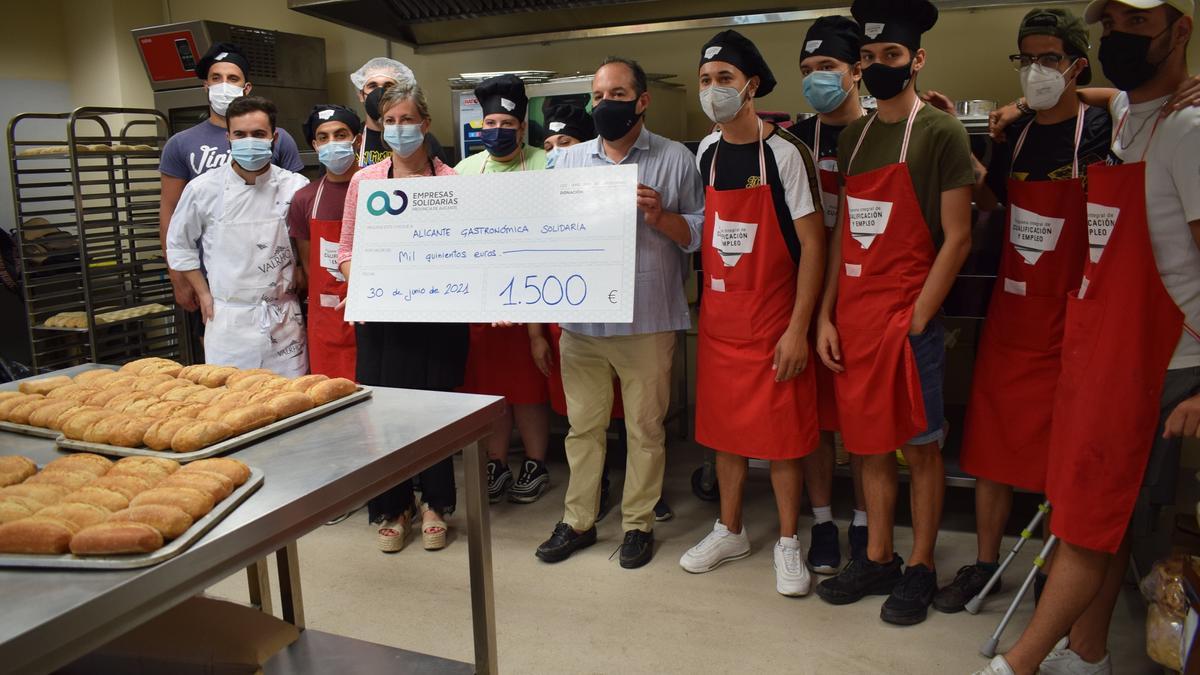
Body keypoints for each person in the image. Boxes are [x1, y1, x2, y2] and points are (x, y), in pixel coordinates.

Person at [978, 1, 1200, 673]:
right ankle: (1088, 651)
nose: (1118, 39)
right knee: (1103, 515)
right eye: (1111, 28)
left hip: (1168, 359)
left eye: (1137, 26)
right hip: (1112, 347)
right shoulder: (1131, 116)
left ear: (1179, 31)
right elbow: (1107, 92)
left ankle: (1019, 661)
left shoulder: (1189, 131)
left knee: (1087, 519)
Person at [933, 8, 1111, 615]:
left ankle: (1054, 566)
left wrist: (1043, 97)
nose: (1035, 71)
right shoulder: (1017, 134)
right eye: (1026, 59)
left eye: (1048, 59)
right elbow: (994, 201)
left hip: (1077, 318)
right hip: (1014, 316)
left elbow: (1138, 96)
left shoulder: (1103, 124)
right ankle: (985, 564)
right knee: (991, 448)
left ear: (1076, 65)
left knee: (1065, 453)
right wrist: (964, 146)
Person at [812, 0, 975, 626]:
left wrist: (917, 320)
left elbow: (957, 237)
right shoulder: (851, 140)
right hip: (853, 316)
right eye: (871, 58)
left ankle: (922, 563)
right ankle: (878, 553)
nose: (881, 66)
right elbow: (841, 239)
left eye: (893, 57)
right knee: (869, 447)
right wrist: (825, 316)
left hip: (907, 318)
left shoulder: (939, 131)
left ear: (917, 60)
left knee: (921, 446)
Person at [534, 56, 705, 569]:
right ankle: (578, 520)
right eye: (599, 96)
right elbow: (540, 232)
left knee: (645, 430)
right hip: (581, 322)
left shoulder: (676, 159)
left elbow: (698, 233)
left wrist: (661, 216)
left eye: (617, 95)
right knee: (582, 429)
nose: (606, 105)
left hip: (646, 320)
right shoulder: (567, 162)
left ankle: (638, 524)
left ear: (642, 101)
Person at [678, 30, 825, 597]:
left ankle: (789, 541)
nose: (714, 91)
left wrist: (797, 330)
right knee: (725, 435)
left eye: (725, 81)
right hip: (720, 323)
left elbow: (814, 245)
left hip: (773, 324)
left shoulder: (786, 154)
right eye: (706, 82)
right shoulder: (707, 151)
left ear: (752, 86)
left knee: (783, 439)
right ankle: (730, 529)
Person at [336, 82, 467, 553]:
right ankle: (394, 506)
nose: (399, 129)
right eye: (390, 121)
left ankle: (435, 504)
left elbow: (466, 252)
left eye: (407, 120)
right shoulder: (364, 183)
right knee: (385, 412)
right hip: (383, 318)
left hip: (438, 318)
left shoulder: (451, 183)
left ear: (426, 125)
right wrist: (368, 281)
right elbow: (346, 251)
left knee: (432, 410)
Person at [452, 75, 553, 505]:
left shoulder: (545, 163)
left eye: (506, 123)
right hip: (481, 299)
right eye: (489, 121)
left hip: (533, 294)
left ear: (522, 127)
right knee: (489, 390)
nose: (496, 129)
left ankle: (535, 462)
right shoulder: (464, 170)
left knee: (529, 388)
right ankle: (496, 463)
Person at [795, 14, 871, 574]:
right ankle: (823, 521)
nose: (817, 78)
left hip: (868, 295)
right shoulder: (795, 140)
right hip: (807, 290)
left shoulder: (885, 131)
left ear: (857, 70)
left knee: (865, 421)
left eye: (828, 67)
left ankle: (867, 523)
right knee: (818, 419)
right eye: (808, 69)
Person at [165, 96, 310, 376]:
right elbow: (179, 244)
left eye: (258, 134)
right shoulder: (203, 189)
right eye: (240, 135)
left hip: (283, 319)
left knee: (292, 402)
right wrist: (202, 292)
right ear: (228, 138)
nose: (249, 141)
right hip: (228, 319)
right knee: (231, 402)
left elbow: (307, 245)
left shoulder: (294, 187)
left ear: (274, 137)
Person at [160, 42, 304, 317]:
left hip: (277, 288)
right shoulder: (182, 145)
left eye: (232, 78)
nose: (224, 85)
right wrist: (179, 278)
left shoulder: (282, 142)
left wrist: (300, 268)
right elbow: (171, 211)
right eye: (216, 78)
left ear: (246, 86)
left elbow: (297, 214)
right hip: (214, 283)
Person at [286, 104, 364, 381]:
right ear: (314, 145)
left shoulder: (378, 189)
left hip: (372, 314)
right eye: (324, 137)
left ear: (357, 138)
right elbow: (309, 267)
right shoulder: (305, 199)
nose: (333, 143)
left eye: (341, 134)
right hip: (327, 319)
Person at [350, 57, 449, 168]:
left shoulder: (422, 138)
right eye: (372, 86)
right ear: (361, 95)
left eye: (389, 86)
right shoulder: (352, 139)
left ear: (399, 92)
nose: (380, 92)